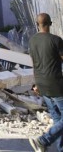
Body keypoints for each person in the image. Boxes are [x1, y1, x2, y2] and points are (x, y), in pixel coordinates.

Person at [28, 13, 63, 152]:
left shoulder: (32, 41)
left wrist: (36, 84)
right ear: (50, 23)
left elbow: (34, 63)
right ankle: (43, 140)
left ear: (37, 24)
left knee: (58, 119)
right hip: (56, 84)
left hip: (41, 84)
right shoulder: (56, 40)